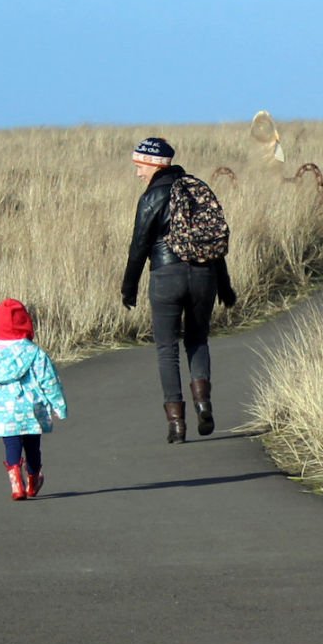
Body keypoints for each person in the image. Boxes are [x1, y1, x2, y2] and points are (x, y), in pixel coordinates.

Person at [121, 136, 237, 444]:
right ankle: (203, 403)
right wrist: (224, 286)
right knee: (197, 340)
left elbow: (139, 245)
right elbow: (213, 245)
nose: (137, 173)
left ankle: (176, 425)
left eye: (140, 166)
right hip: (205, 276)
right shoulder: (196, 189)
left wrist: (128, 286)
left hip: (166, 276)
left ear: (154, 164)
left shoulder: (151, 197)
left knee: (166, 349)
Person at [0, 298, 68, 500]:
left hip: (5, 411)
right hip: (32, 408)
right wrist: (59, 407)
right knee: (33, 446)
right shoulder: (34, 353)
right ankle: (33, 479)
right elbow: (49, 380)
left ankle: (16, 481)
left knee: (12, 444)